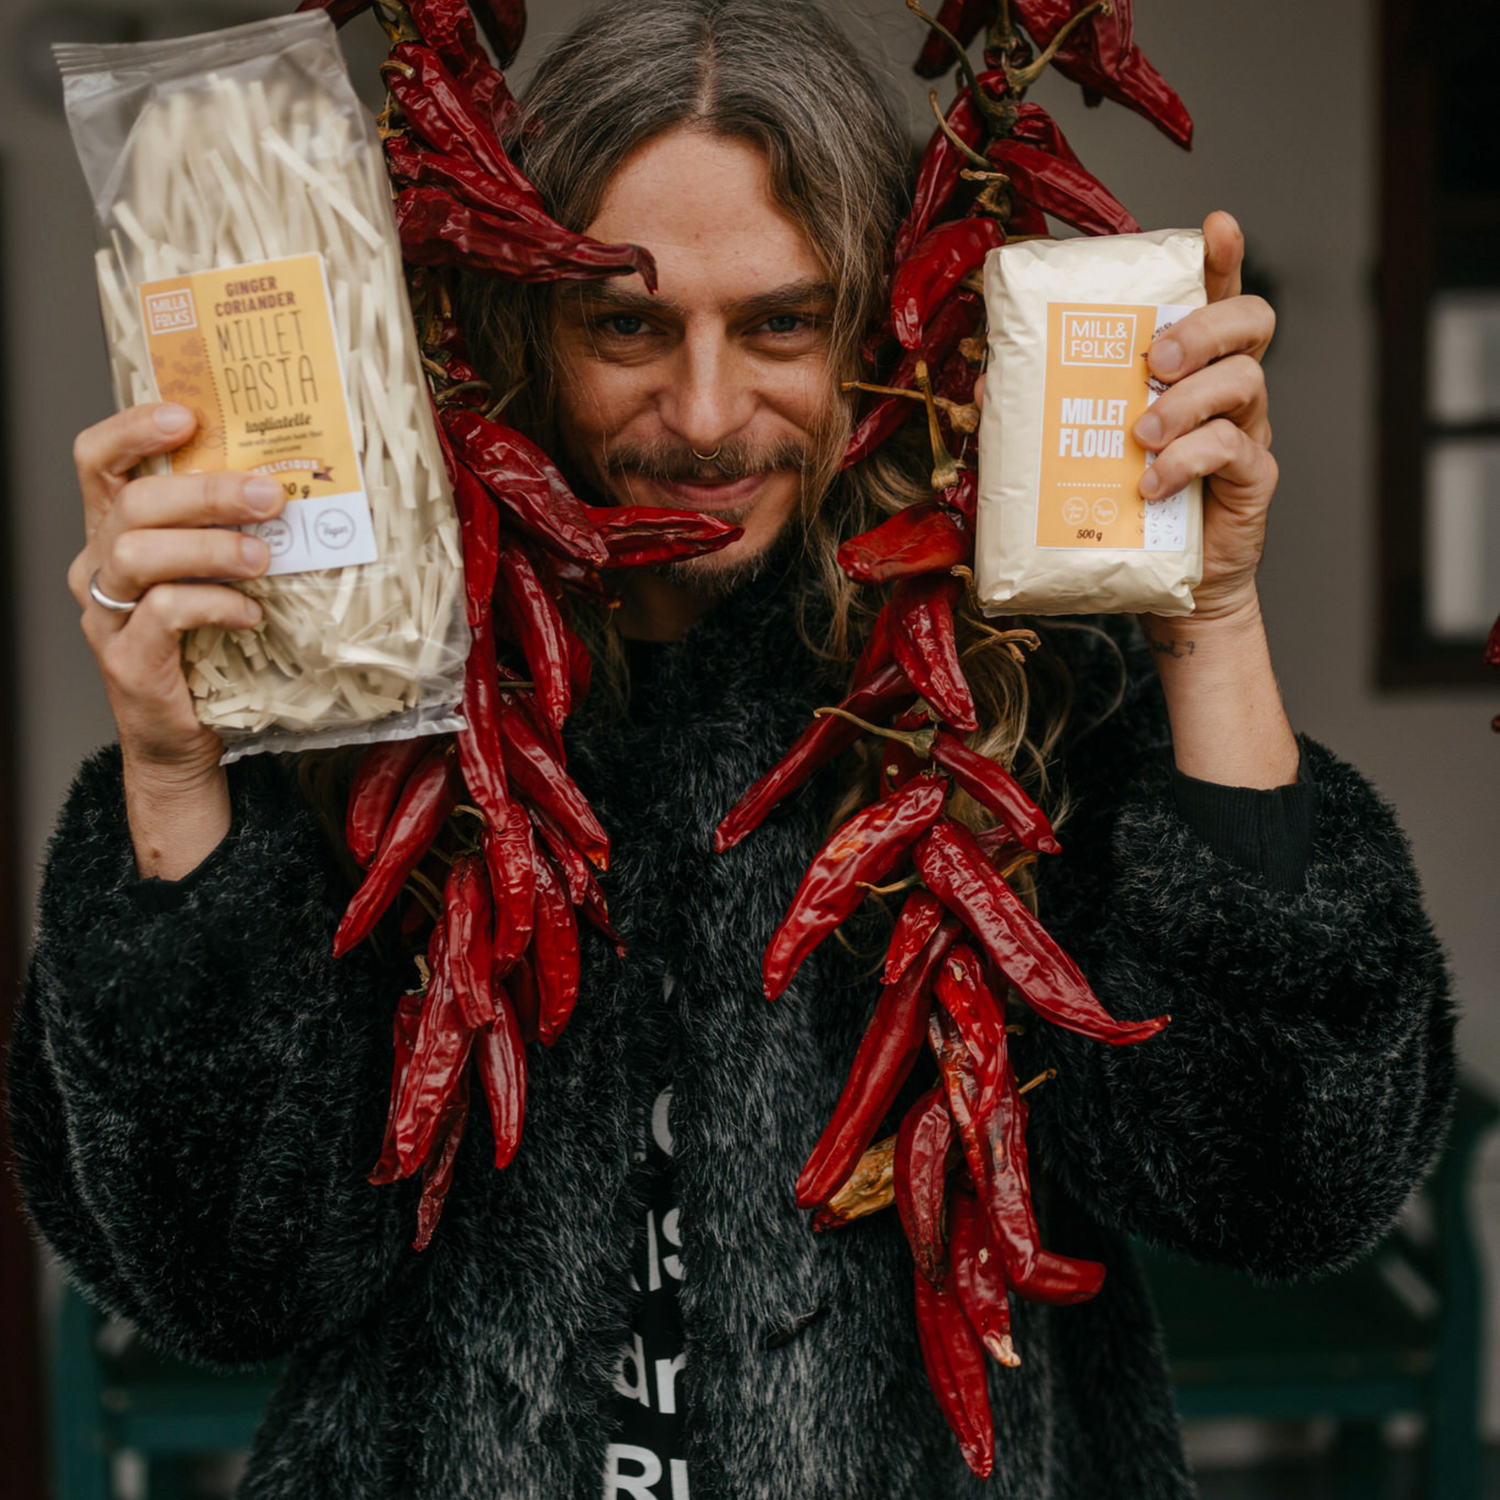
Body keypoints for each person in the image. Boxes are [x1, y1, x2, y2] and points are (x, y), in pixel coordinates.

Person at [8, 2, 1454, 1497]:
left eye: (782, 323)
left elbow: (1291, 1185)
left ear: (881, 329)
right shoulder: (364, 683)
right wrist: (175, 766)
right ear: (521, 319)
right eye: (625, 324)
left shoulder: (1010, 695)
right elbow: (223, 1280)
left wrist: (1210, 623)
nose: (705, 416)